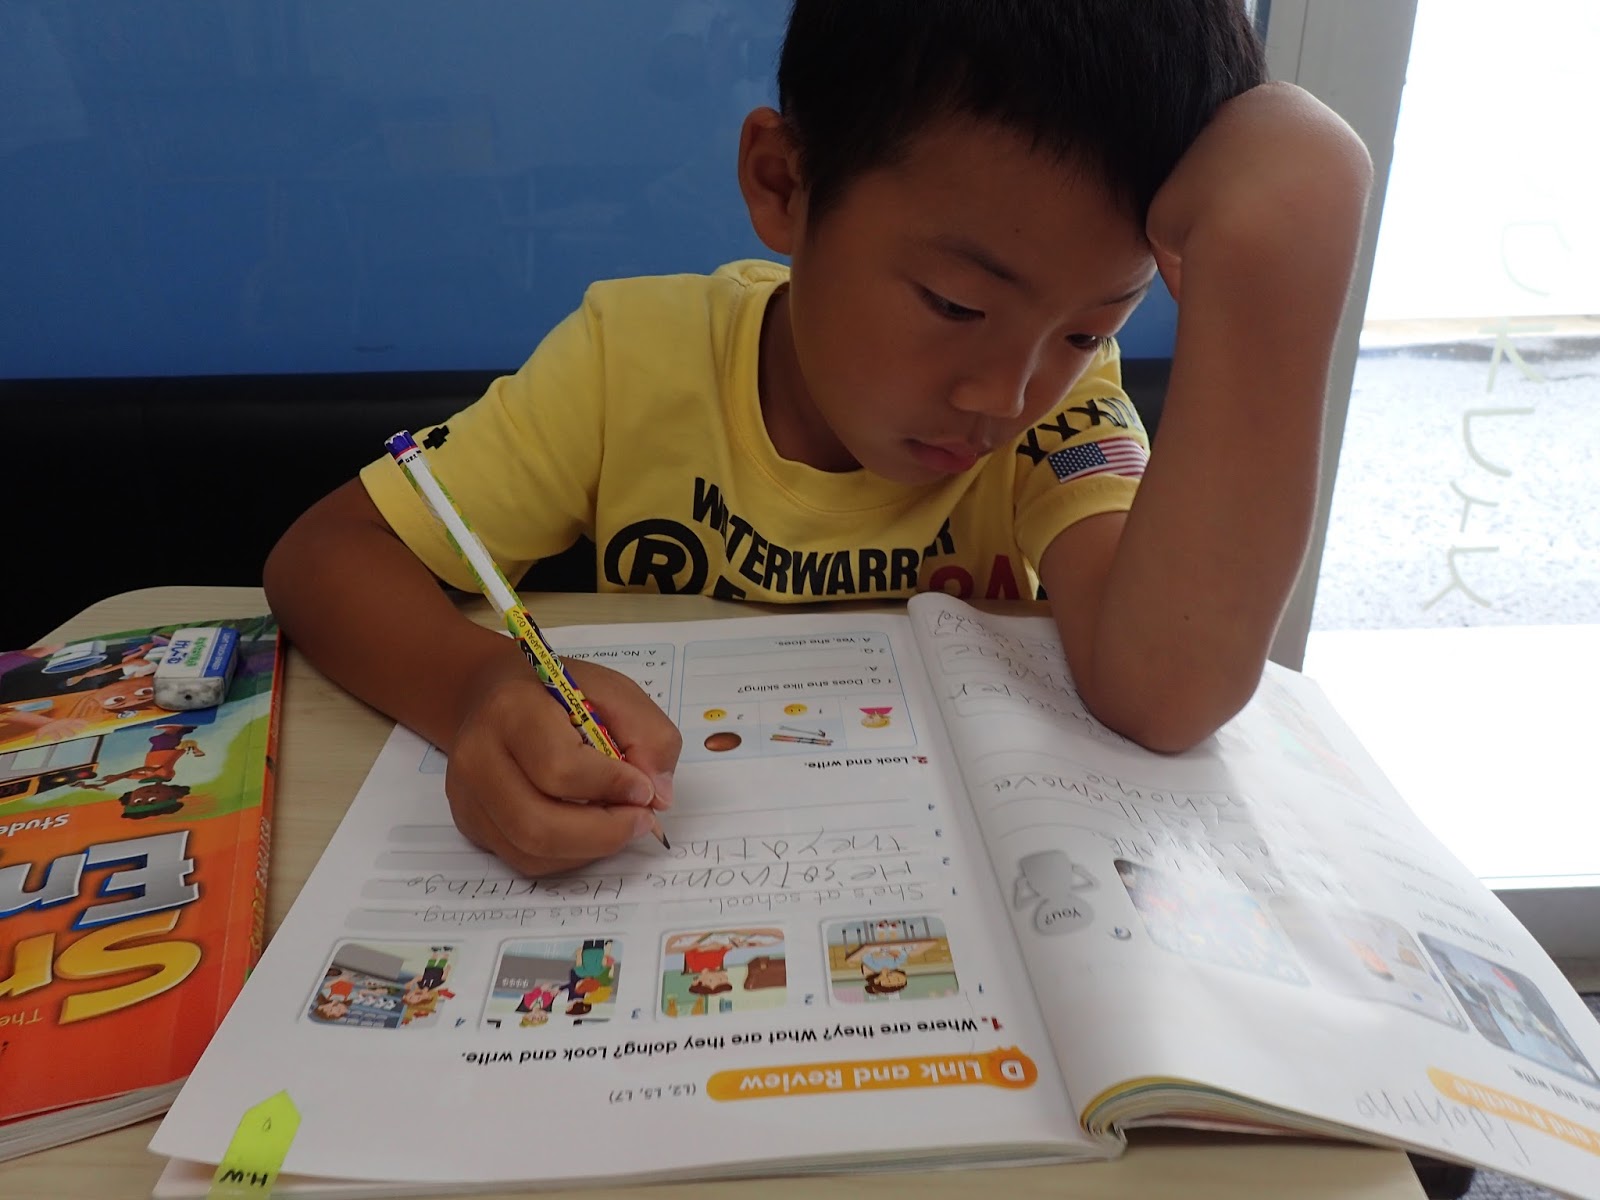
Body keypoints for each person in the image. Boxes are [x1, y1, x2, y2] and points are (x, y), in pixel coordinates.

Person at [264, 1, 1372, 877]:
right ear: (784, 183)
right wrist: (474, 689)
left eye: (1088, 328)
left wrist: (1287, 250)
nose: (1006, 394)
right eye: (954, 304)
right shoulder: (630, 364)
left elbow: (1169, 692)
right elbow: (328, 554)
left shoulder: (1065, 420)